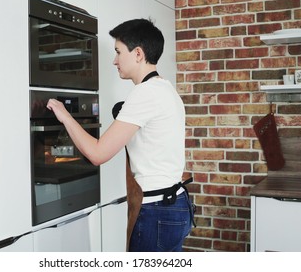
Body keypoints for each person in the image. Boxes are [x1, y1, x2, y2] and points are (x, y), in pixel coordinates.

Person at [46, 18, 193, 252]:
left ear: (137, 53)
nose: (114, 60)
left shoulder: (145, 94)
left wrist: (65, 116)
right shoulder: (165, 89)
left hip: (157, 210)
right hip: (175, 204)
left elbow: (97, 154)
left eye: (118, 52)